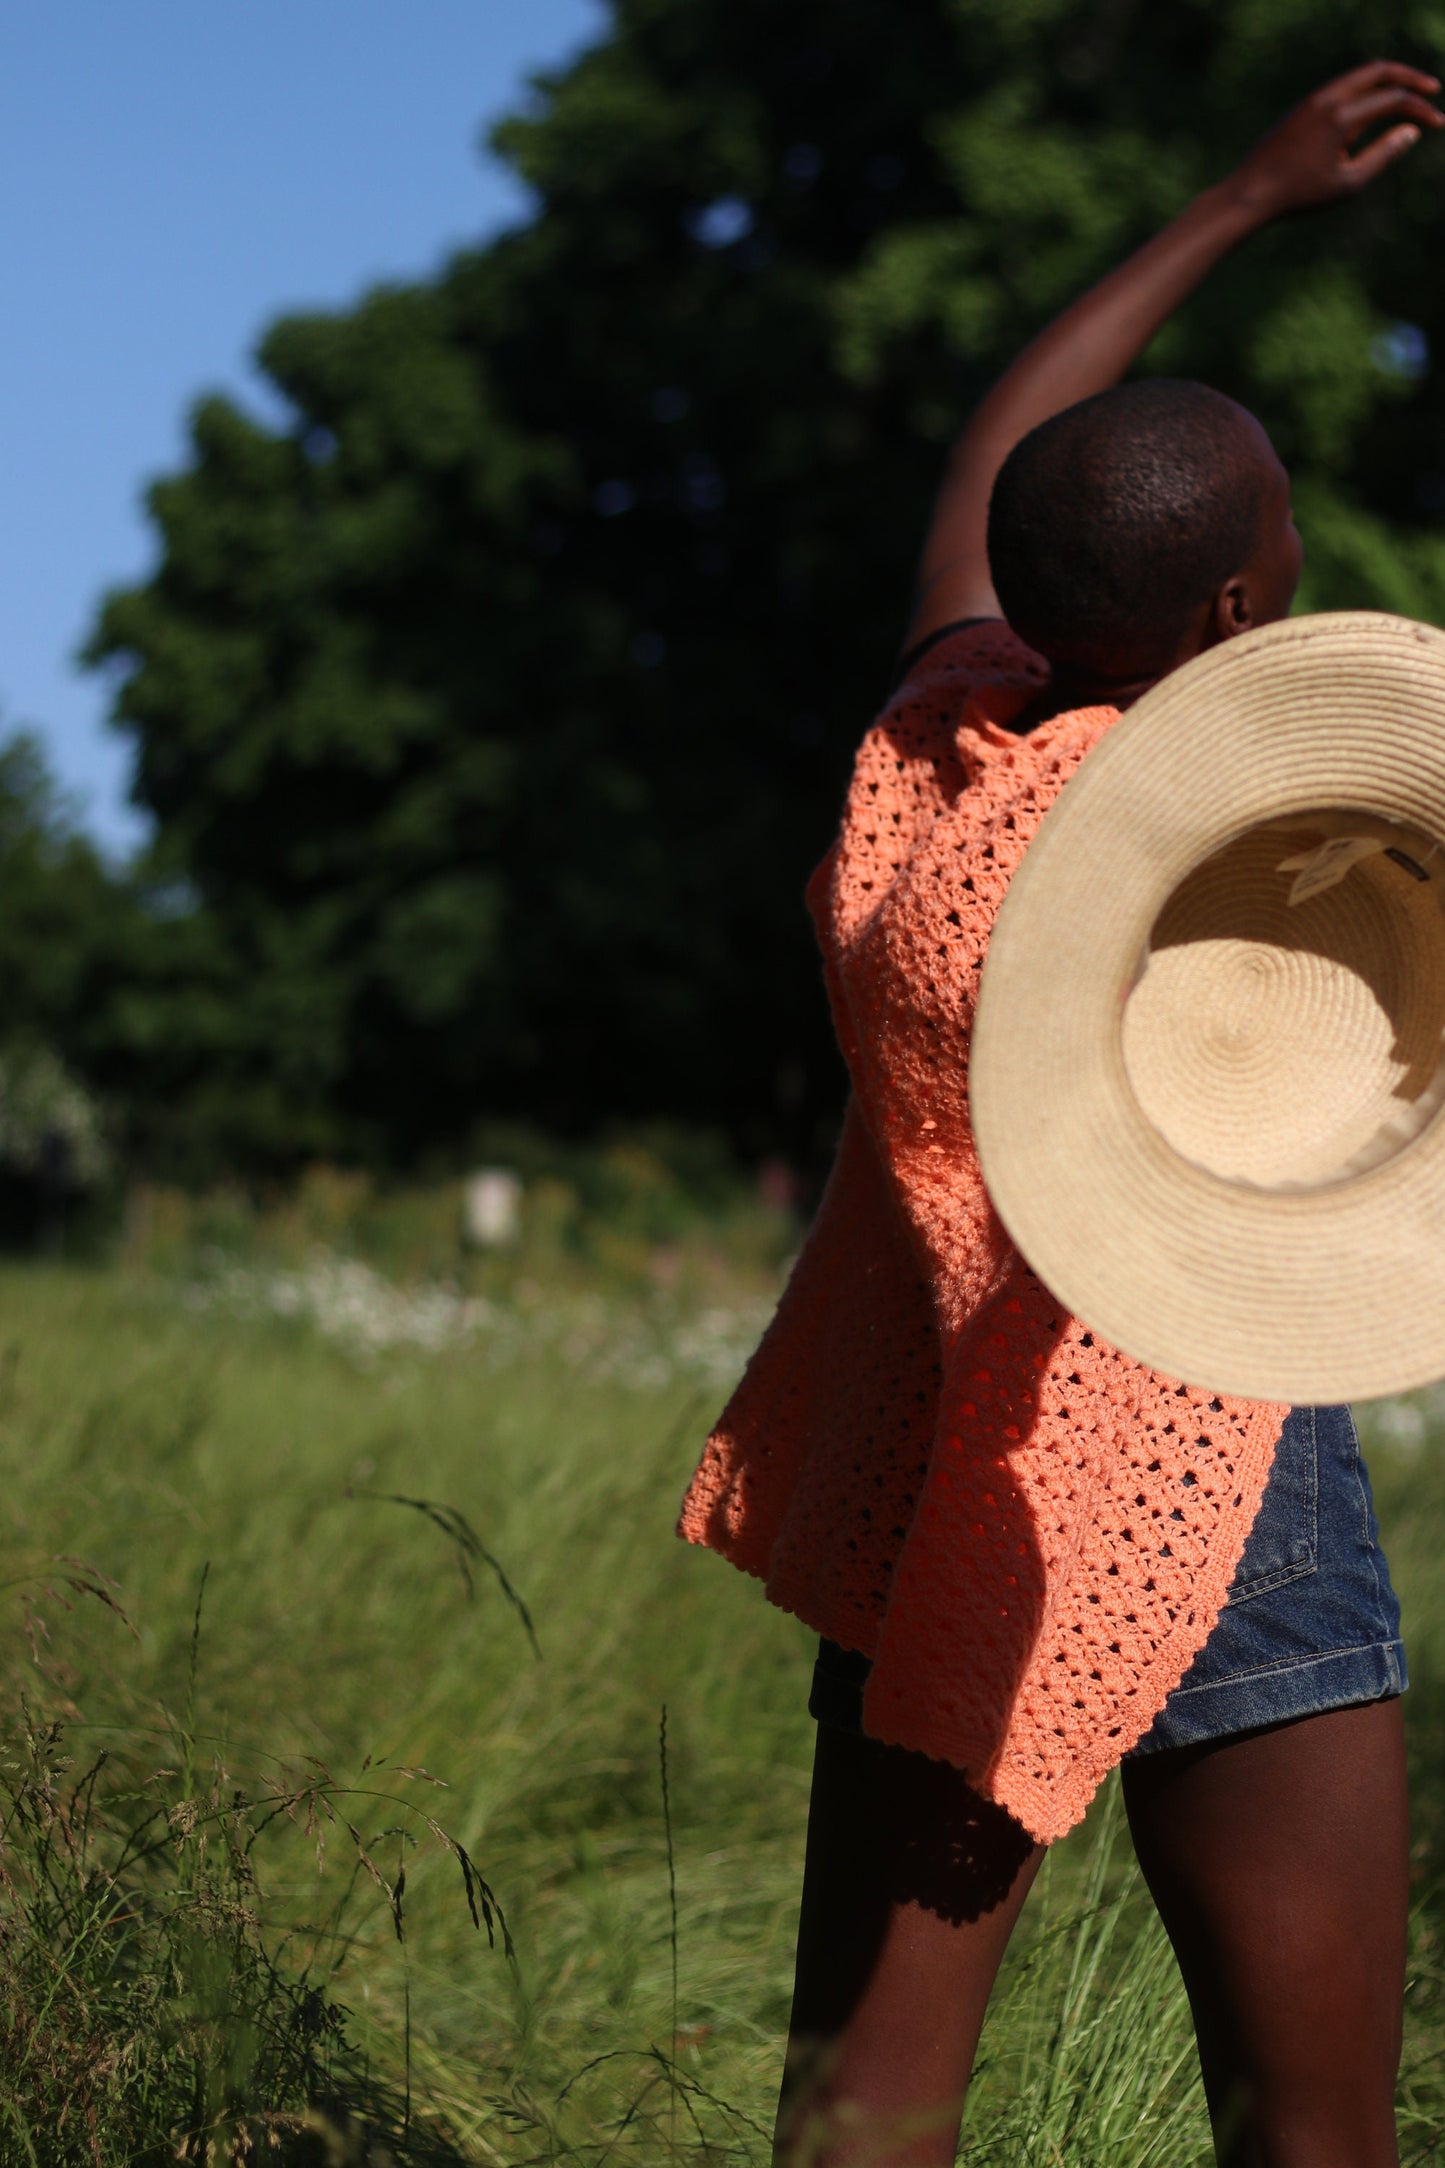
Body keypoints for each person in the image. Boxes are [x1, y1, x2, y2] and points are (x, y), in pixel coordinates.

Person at [677, 61, 1444, 2168]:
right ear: (1228, 616)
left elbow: (984, 478)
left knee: (866, 2104)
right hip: (1217, 1444)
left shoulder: (928, 776)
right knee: (1312, 2126)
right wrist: (1272, 195)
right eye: (1282, 551)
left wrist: (1226, 198)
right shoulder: (1248, 852)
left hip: (951, 1466)